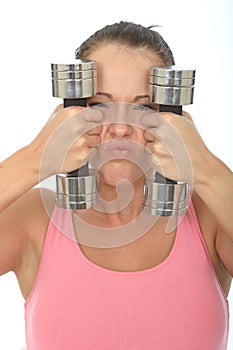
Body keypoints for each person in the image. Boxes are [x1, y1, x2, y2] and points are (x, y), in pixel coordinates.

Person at [0, 21, 232, 350]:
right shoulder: (36, 220)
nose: (121, 128)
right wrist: (35, 158)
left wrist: (206, 168)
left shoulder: (211, 219)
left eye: (144, 107)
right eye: (100, 106)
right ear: (71, 109)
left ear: (172, 114)